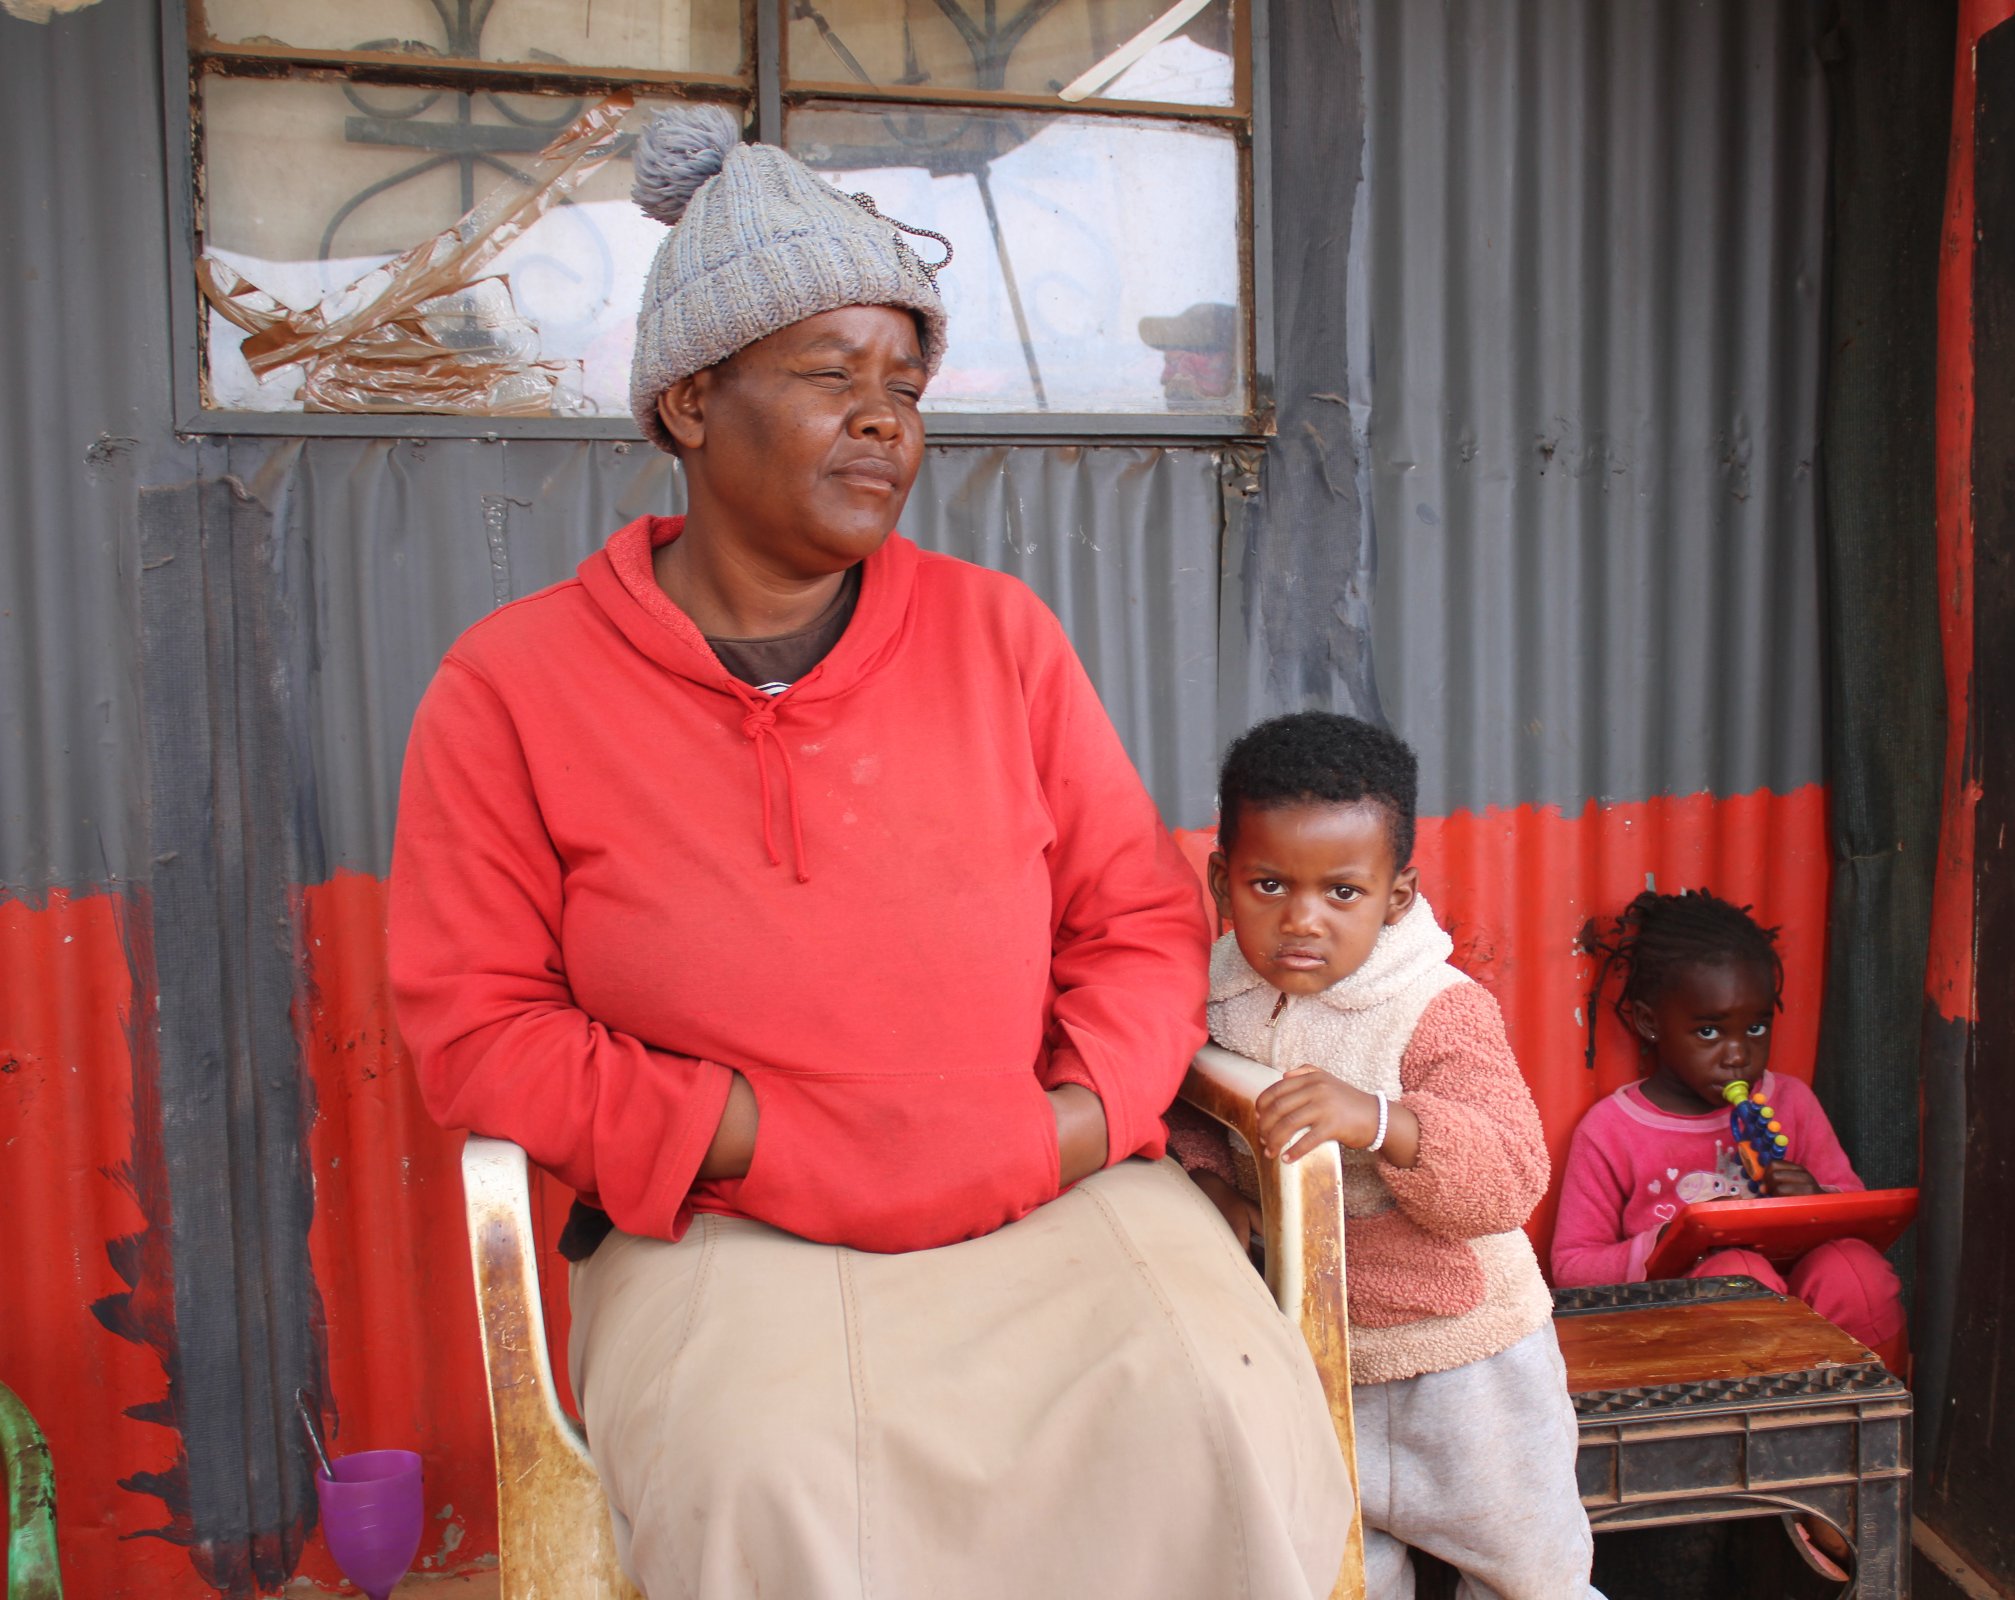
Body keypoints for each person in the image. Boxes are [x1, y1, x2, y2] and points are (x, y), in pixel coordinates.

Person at [388, 106, 1350, 1600]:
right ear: (691, 403)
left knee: (1218, 1404)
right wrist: (772, 1142)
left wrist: (1066, 1131)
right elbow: (478, 1029)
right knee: (763, 1472)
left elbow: (1139, 926)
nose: (885, 418)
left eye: (904, 383)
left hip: (1046, 1186)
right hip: (724, 1218)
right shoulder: (512, 686)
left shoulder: (998, 638)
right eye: (832, 376)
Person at [1169, 712, 1600, 1600]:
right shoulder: (1216, 991)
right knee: (1346, 1577)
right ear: (1221, 879)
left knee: (1532, 1581)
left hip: (1470, 1370)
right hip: (1320, 1364)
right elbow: (1192, 1114)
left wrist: (1379, 1120)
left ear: (1396, 897)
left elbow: (1510, 1178)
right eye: (1267, 884)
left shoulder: (1436, 1008)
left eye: (1342, 893)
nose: (1301, 921)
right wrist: (1213, 1180)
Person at [1548, 889, 1906, 1366]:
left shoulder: (1790, 1102)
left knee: (1854, 1272)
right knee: (1736, 1275)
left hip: (1807, 1315)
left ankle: (1872, 1415)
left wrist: (1817, 1195)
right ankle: (1750, 1431)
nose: (1738, 1055)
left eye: (1755, 1029)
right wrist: (1668, 1241)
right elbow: (1572, 1267)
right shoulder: (1612, 1130)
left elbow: (1854, 1215)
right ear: (1649, 1022)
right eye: (1709, 1032)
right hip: (1680, 1341)